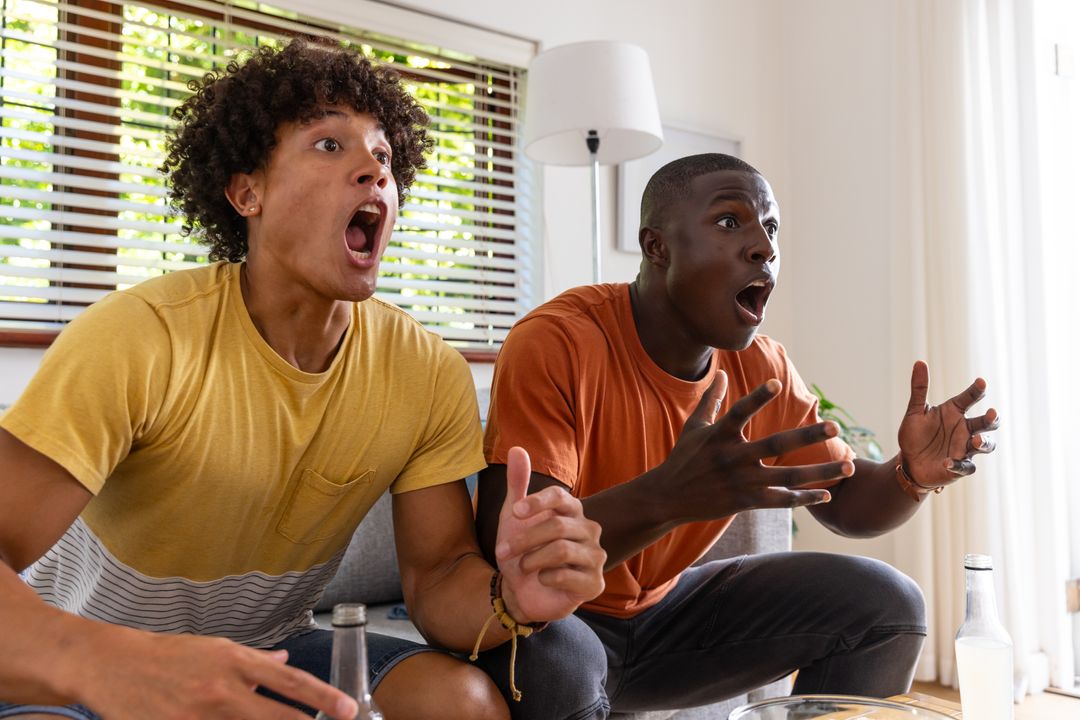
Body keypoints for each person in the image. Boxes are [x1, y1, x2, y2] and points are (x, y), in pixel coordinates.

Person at [0, 36, 605, 720]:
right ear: (246, 192)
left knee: (461, 703)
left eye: (383, 156)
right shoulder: (141, 336)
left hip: (269, 649)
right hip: (92, 659)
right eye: (328, 145)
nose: (373, 171)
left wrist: (511, 598)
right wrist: (95, 663)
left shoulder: (426, 371)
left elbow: (438, 580)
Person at [475, 153, 999, 719]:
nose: (764, 248)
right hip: (561, 620)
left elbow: (847, 502)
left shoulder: (760, 366)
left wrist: (910, 474)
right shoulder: (558, 342)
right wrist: (669, 496)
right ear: (657, 247)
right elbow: (525, 561)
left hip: (663, 618)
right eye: (730, 222)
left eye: (769, 228)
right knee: (558, 653)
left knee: (887, 606)